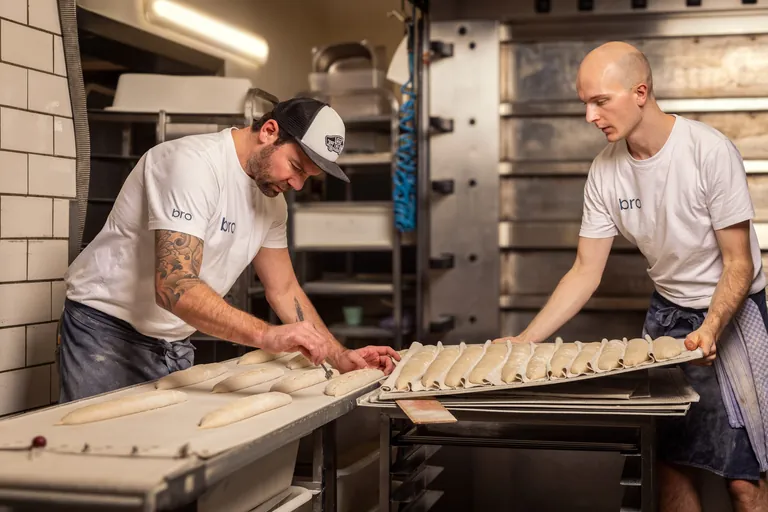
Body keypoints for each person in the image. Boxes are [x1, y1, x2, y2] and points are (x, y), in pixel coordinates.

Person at [493, 41, 768, 511]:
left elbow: (738, 262)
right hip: (667, 318)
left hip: (733, 317)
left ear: (640, 92)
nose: (589, 116)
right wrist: (526, 339)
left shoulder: (708, 151)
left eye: (600, 100)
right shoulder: (605, 172)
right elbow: (585, 270)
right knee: (669, 466)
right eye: (585, 103)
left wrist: (711, 328)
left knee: (744, 479)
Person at [59, 96, 399, 403]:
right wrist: (268, 335)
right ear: (268, 131)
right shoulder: (192, 165)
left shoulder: (271, 202)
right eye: (296, 167)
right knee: (99, 457)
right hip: (105, 332)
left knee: (159, 458)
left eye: (307, 177)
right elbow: (174, 287)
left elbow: (283, 289)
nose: (296, 185)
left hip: (172, 342)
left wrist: (338, 357)